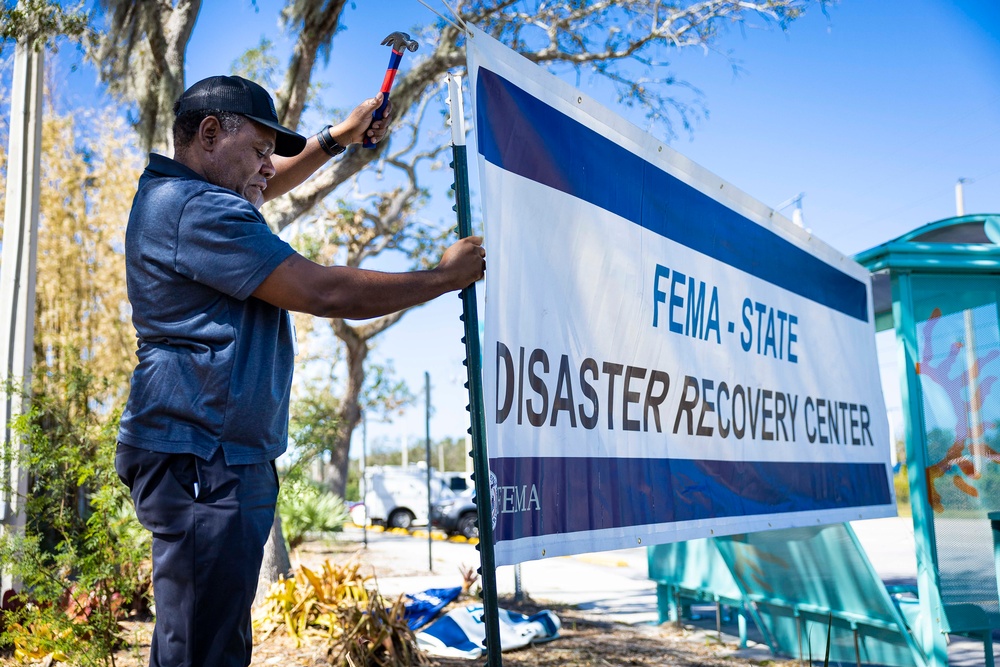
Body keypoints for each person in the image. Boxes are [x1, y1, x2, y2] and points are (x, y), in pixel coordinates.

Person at [114, 75, 485, 667]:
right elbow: (324, 291)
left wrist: (336, 139)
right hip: (203, 460)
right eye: (260, 151)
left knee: (216, 640)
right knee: (201, 650)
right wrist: (443, 278)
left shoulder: (194, 196)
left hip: (218, 456)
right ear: (210, 134)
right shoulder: (193, 208)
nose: (269, 166)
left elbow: (264, 181)